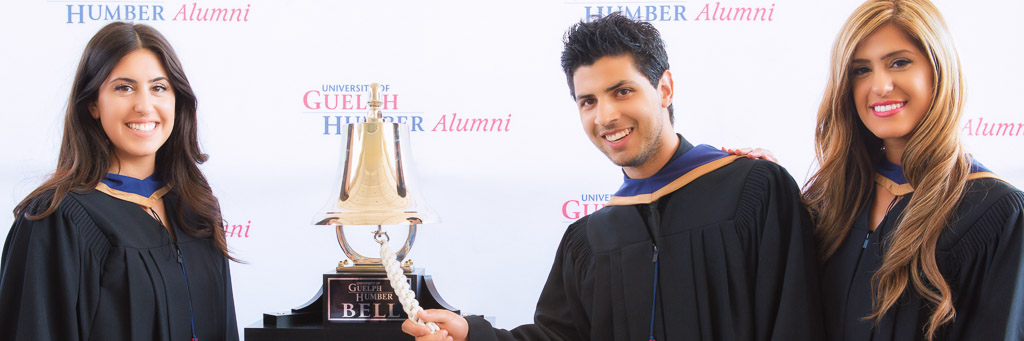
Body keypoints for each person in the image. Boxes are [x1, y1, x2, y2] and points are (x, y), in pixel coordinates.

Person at [402, 12, 824, 341]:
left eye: (623, 91)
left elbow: (796, 321)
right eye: (588, 101)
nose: (606, 116)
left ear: (665, 89)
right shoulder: (589, 240)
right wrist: (473, 334)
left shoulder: (753, 192)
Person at [0, 22, 239, 340]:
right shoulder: (56, 218)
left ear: (176, 100)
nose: (144, 105)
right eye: (124, 88)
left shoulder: (195, 206)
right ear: (93, 105)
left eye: (159, 87)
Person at [802, 0, 1024, 340]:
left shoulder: (995, 212)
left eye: (899, 62)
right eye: (861, 70)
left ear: (939, 69)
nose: (880, 86)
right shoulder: (828, 200)